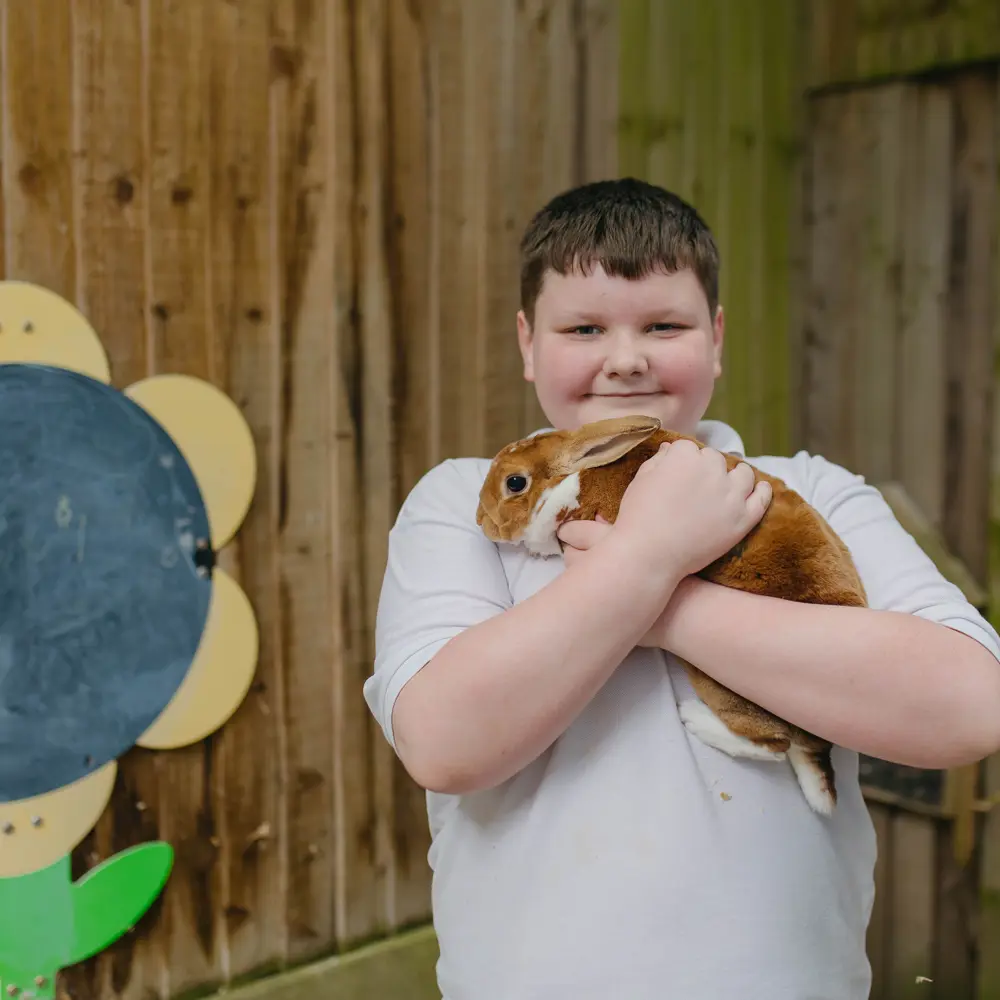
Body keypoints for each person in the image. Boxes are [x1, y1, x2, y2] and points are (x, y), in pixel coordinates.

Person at [363, 178, 1000, 999]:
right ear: (527, 343)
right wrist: (649, 556)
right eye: (584, 327)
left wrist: (668, 601)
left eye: (664, 325)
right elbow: (443, 742)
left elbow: (971, 706)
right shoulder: (468, 502)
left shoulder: (805, 492)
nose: (626, 357)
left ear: (717, 336)